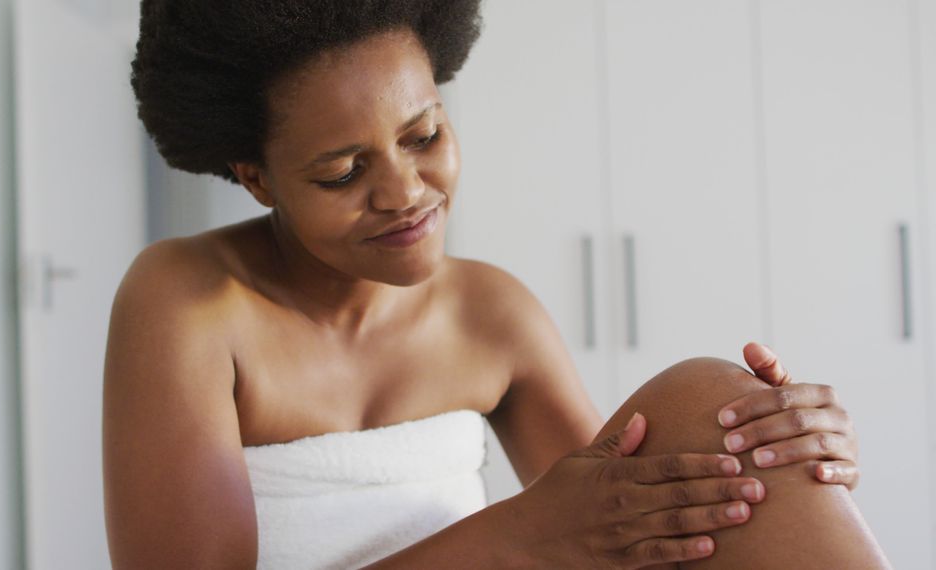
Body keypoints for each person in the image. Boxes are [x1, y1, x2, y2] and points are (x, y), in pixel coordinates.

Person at [102, 1, 888, 568]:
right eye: (343, 171)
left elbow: (620, 523)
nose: (406, 192)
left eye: (425, 135)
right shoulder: (191, 302)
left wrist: (790, 455)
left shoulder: (490, 312)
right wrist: (513, 536)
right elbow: (549, 531)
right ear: (257, 179)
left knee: (713, 401)